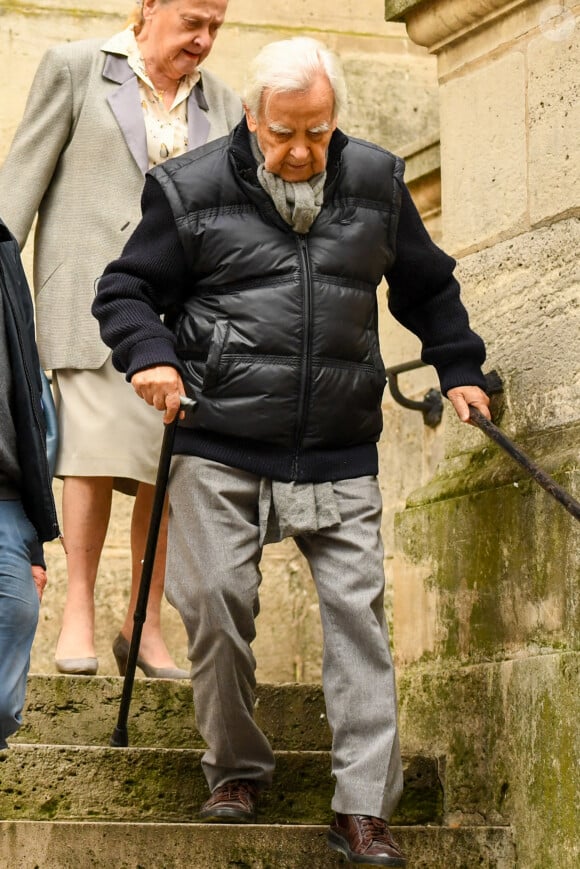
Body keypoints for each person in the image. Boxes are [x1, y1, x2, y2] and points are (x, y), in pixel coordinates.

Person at [93, 36, 491, 867]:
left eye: (317, 130)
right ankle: (236, 767)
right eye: (284, 133)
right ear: (251, 116)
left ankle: (363, 808)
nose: (302, 150)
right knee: (214, 607)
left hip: (339, 445)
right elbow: (125, 289)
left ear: (333, 116)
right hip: (219, 438)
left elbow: (427, 284)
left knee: (359, 624)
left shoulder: (377, 182)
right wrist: (152, 355)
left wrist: (459, 365)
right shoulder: (189, 187)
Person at [0, 0, 242, 676]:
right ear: (149, 7)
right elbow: (17, 187)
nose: (203, 38)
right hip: (86, 299)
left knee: (166, 471)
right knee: (93, 451)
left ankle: (144, 623)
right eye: (193, 21)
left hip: (182, 322)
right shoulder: (75, 70)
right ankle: (77, 610)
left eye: (215, 27)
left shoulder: (223, 103)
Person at [0, 217, 60, 750]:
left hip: (7, 503)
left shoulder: (2, 250)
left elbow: (25, 393)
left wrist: (36, 538)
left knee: (1, 699)